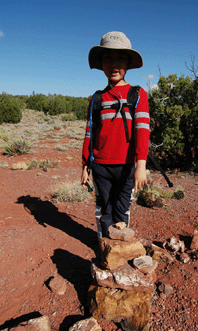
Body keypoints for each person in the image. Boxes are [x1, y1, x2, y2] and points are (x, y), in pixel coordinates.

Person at [81, 31, 150, 239]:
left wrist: (141, 166)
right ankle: (103, 248)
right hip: (100, 165)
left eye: (120, 57)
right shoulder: (96, 98)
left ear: (128, 63)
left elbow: (142, 131)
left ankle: (120, 249)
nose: (114, 64)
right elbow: (89, 134)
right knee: (104, 208)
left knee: (122, 209)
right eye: (108, 58)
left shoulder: (137, 94)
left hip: (127, 164)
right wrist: (85, 166)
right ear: (101, 64)